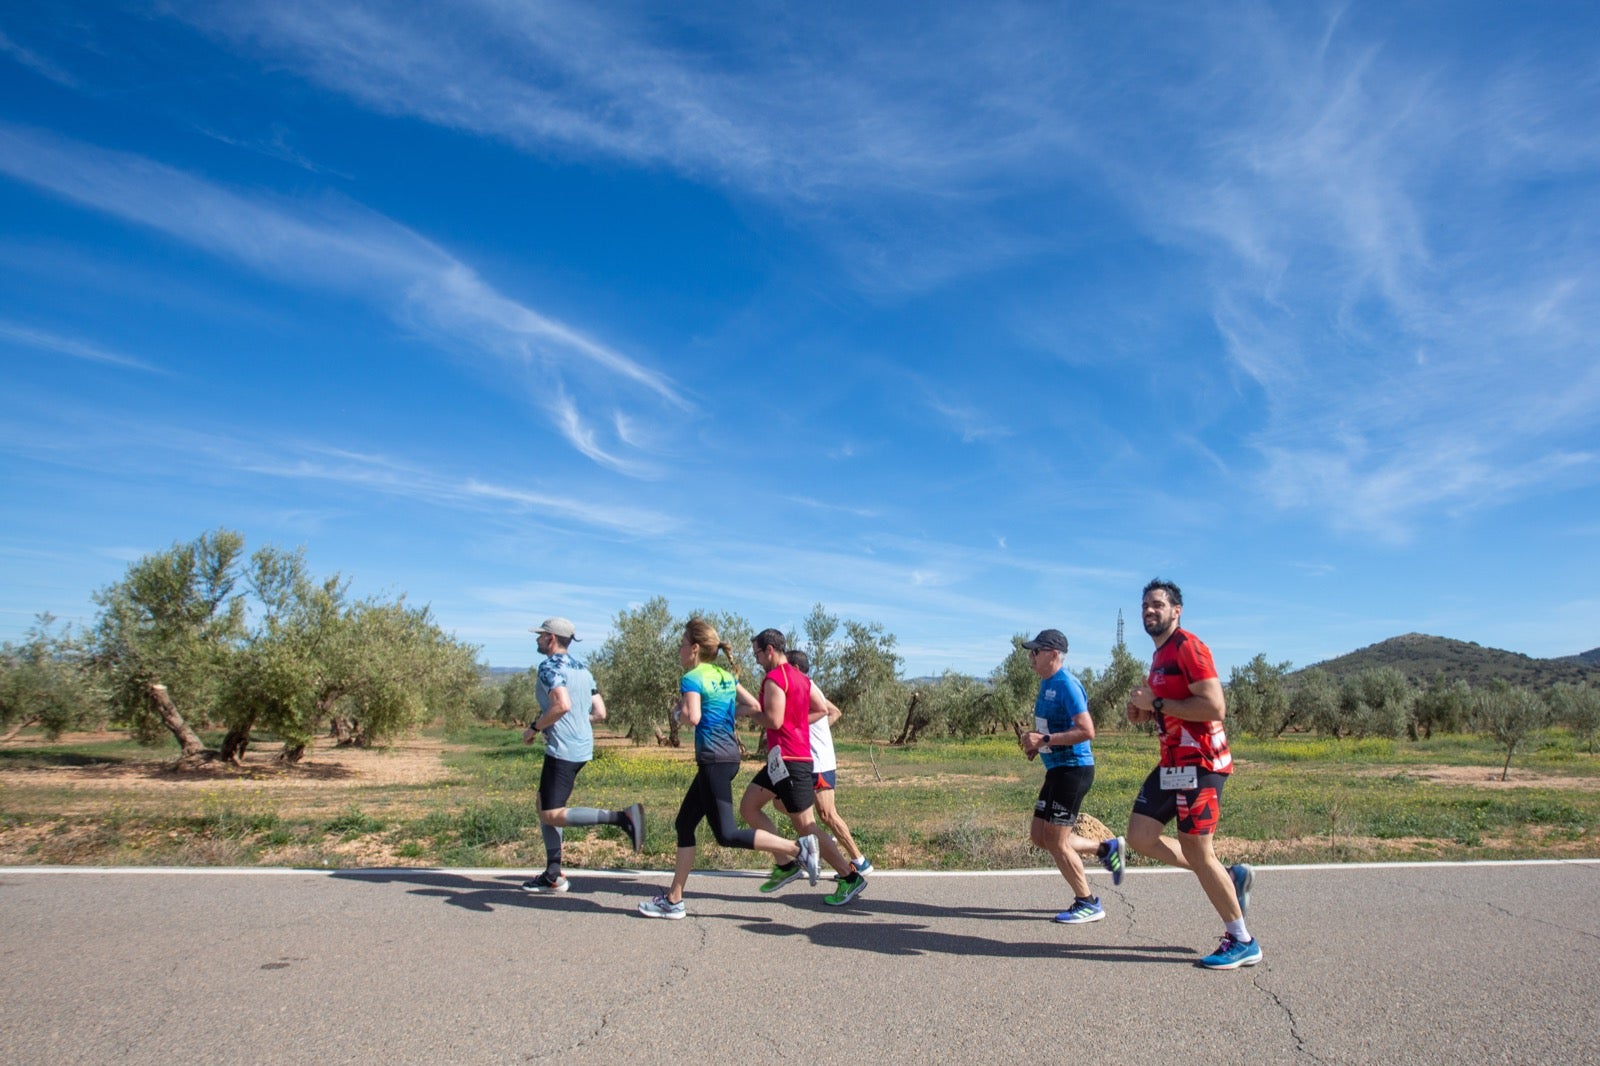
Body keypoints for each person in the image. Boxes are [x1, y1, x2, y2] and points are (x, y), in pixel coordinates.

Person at [638, 619, 821, 919]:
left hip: (713, 759)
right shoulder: (725, 676)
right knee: (685, 823)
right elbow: (753, 706)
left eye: (682, 644)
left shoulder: (693, 677)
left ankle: (797, 850)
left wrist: (679, 713)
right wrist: (727, 711)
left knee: (726, 833)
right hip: (728, 758)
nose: (680, 650)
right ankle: (674, 899)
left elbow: (692, 716)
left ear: (695, 648)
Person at [1123, 580, 1259, 969]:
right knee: (1140, 836)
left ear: (1176, 610)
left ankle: (1242, 940)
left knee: (1198, 850)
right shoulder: (1159, 655)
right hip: (1173, 764)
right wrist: (1145, 712)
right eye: (1145, 605)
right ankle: (1228, 877)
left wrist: (1159, 702)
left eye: (1158, 605)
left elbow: (1215, 707)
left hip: (1201, 762)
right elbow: (1171, 706)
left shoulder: (1188, 647)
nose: (1149, 610)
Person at [737, 629, 867, 906]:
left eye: (757, 654)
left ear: (769, 650)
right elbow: (822, 709)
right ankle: (785, 863)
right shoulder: (801, 679)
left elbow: (772, 720)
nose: (756, 660)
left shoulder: (775, 678)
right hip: (780, 760)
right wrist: (796, 723)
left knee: (807, 827)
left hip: (791, 762)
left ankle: (848, 876)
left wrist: (748, 711)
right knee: (748, 807)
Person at [520, 617, 644, 894]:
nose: (538, 640)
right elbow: (600, 712)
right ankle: (553, 873)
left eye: (541, 635)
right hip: (581, 745)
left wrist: (534, 728)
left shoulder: (549, 666)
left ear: (551, 638)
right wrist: (575, 717)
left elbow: (561, 705)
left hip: (562, 748)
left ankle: (622, 818)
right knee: (544, 803)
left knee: (550, 813)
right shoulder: (583, 669)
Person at [1017, 629, 1124, 923]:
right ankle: (1105, 848)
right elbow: (1049, 730)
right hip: (1057, 771)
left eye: (1035, 652)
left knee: (1056, 840)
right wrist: (1037, 747)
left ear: (1053, 654)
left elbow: (1087, 730)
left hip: (1074, 771)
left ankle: (1088, 902)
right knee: (1040, 836)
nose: (1031, 657)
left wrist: (1045, 741)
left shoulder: (1067, 686)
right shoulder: (1046, 683)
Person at [783, 649, 872, 878]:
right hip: (810, 760)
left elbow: (830, 712)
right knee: (782, 803)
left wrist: (810, 735)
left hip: (819, 763)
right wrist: (812, 732)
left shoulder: (805, 688)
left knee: (828, 815)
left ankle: (858, 860)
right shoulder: (807, 688)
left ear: (795, 669)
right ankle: (822, 843)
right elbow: (834, 712)